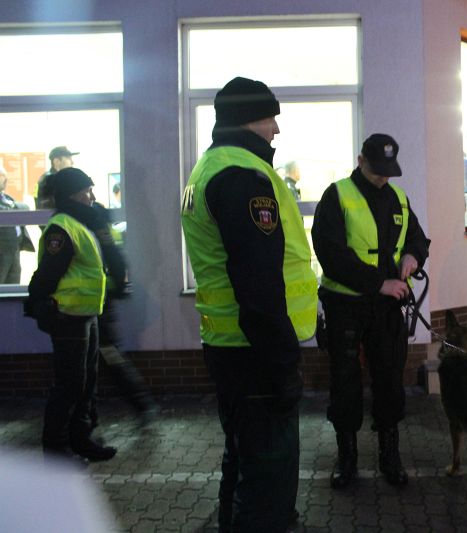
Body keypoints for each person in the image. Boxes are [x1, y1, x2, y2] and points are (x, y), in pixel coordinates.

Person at [180, 76, 318, 532]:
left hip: (233, 345)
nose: (276, 129)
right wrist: (282, 362)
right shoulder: (242, 176)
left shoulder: (211, 168)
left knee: (243, 460)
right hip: (256, 351)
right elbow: (258, 281)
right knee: (269, 478)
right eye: (269, 118)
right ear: (247, 119)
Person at [311, 133, 430, 489]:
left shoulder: (398, 198)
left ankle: (389, 455)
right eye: (377, 169)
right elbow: (331, 255)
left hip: (387, 308)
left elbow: (417, 238)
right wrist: (379, 283)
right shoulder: (337, 196)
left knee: (390, 379)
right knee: (345, 382)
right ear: (360, 161)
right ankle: (346, 458)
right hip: (346, 305)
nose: (383, 177)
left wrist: (413, 256)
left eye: (388, 170)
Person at [25, 167, 117, 465]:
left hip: (86, 315)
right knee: (69, 386)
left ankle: (81, 440)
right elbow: (47, 275)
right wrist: (38, 301)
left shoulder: (80, 222)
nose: (91, 197)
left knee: (86, 383)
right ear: (72, 195)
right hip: (68, 317)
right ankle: (56, 453)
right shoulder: (62, 228)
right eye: (86, 191)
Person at [89, 202, 159, 429]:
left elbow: (114, 261)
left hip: (97, 303)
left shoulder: (94, 225)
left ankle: (142, 404)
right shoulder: (106, 227)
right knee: (107, 356)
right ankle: (140, 404)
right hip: (101, 301)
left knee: (109, 356)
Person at [0, 165, 34, 283]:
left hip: (15, 249)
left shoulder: (7, 198)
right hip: (2, 249)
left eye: (5, 176)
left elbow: (23, 208)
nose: (5, 179)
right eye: (1, 176)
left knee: (14, 283)